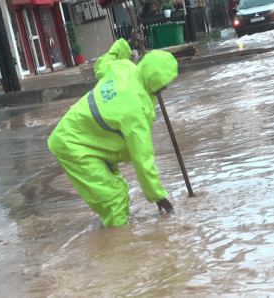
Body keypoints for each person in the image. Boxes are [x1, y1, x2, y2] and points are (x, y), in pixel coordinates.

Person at [47, 38, 178, 228]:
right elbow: (142, 158)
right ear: (160, 85)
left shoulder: (124, 68)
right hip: (74, 145)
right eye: (166, 85)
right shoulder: (136, 110)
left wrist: (124, 46)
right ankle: (119, 251)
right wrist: (157, 195)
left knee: (120, 191)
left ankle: (118, 240)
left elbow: (102, 64)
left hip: (91, 141)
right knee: (114, 199)